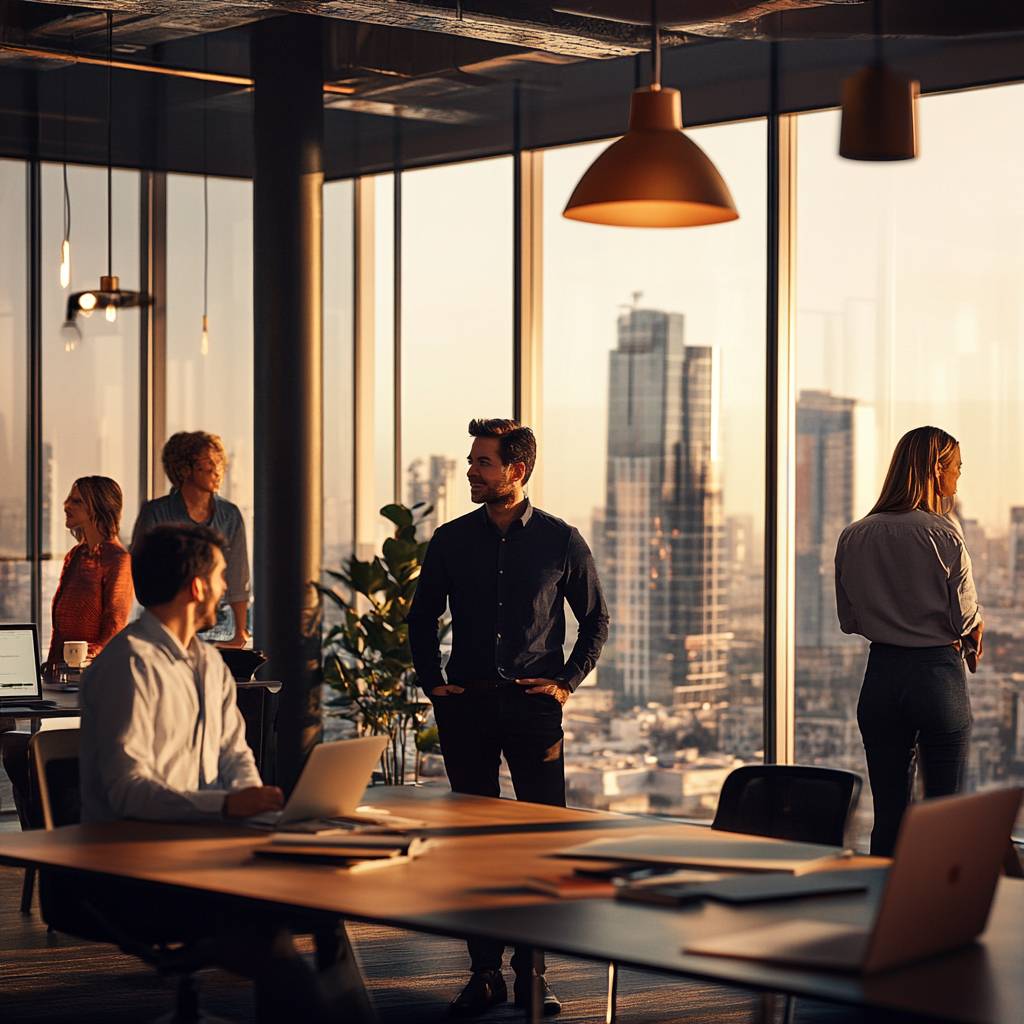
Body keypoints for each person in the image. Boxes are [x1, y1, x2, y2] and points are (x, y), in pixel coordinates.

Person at [74, 523, 365, 1022]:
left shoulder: (208, 663)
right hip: (138, 869)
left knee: (323, 903)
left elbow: (235, 754)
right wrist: (227, 806)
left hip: (207, 848)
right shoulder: (129, 667)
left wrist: (258, 802)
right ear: (198, 587)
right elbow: (127, 793)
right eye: (222, 576)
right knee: (269, 928)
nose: (229, 588)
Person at [408, 418, 609, 1018]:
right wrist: (434, 683)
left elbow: (596, 620)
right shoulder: (450, 538)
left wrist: (566, 684)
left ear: (515, 471)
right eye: (473, 461)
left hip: (533, 710)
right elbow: (422, 618)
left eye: (483, 462)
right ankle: (483, 974)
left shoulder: (561, 540)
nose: (472, 470)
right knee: (472, 845)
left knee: (538, 845)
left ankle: (532, 976)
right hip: (465, 706)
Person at [835, 426, 982, 856]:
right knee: (942, 815)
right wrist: (974, 627)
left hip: (881, 677)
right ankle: (934, 913)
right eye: (956, 468)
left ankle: (884, 909)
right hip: (937, 675)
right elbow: (964, 616)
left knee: (890, 817)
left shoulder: (854, 534)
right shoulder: (944, 534)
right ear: (937, 471)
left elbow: (850, 619)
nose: (958, 477)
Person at [132, 431, 251, 647]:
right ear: (184, 468)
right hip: (167, 627)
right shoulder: (156, 513)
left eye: (219, 462)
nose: (217, 470)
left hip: (220, 630)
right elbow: (142, 575)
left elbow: (238, 577)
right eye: (208, 462)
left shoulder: (230, 515)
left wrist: (239, 633)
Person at [44, 475, 133, 678]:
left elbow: (115, 625)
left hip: (98, 677)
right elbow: (59, 629)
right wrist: (51, 672)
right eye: (69, 499)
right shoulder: (75, 556)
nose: (66, 505)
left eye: (76, 501)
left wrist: (85, 657)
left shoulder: (118, 559)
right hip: (64, 677)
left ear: (99, 507)